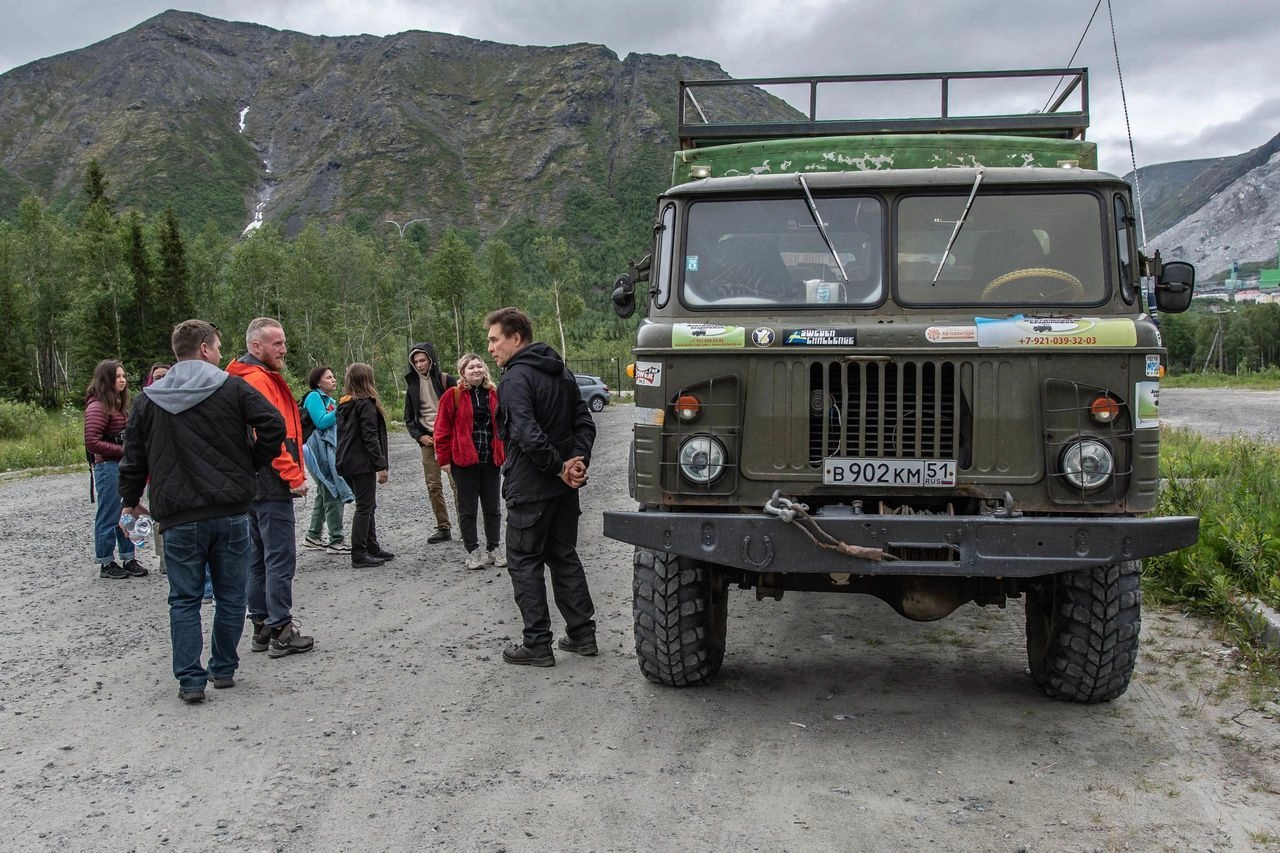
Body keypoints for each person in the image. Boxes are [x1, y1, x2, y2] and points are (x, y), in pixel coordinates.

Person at [119, 319, 286, 703]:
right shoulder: (231, 387)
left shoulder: (148, 399)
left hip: (177, 516)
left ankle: (190, 680)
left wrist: (130, 501)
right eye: (218, 346)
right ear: (206, 349)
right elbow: (273, 423)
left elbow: (133, 459)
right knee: (231, 595)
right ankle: (223, 668)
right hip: (229, 509)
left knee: (184, 599)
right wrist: (253, 464)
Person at [485, 307, 597, 667]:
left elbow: (526, 433)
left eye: (494, 339)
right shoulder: (560, 371)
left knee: (524, 562)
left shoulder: (515, 379)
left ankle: (537, 643)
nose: (490, 348)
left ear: (515, 338)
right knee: (563, 556)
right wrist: (576, 462)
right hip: (563, 490)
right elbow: (584, 421)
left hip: (532, 489)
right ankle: (582, 635)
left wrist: (561, 468)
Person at [226, 318, 314, 658]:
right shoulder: (258, 380)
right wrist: (293, 475)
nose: (284, 349)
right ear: (255, 346)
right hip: (270, 481)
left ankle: (262, 627)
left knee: (259, 557)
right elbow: (271, 434)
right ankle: (280, 629)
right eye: (276, 343)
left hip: (252, 481)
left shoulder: (246, 377)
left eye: (283, 342)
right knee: (279, 557)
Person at [435, 353, 506, 570]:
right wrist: (444, 460)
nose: (476, 370)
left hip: (490, 460)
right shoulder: (452, 395)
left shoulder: (494, 394)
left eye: (479, 366)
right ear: (462, 373)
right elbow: (441, 429)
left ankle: (493, 548)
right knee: (467, 508)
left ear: (485, 370)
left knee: (492, 506)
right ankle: (472, 551)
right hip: (464, 461)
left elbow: (504, 424)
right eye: (470, 367)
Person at [84, 359, 145, 580]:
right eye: (117, 376)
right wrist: (122, 449)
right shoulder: (98, 406)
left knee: (126, 512)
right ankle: (106, 562)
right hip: (108, 467)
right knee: (109, 515)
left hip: (121, 466)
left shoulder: (117, 405)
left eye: (123, 376)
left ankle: (128, 557)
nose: (122, 380)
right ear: (106, 379)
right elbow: (92, 441)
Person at [336, 363, 393, 568]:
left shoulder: (345, 404)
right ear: (367, 380)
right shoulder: (365, 404)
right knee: (364, 507)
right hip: (361, 464)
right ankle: (359, 553)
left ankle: (372, 546)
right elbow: (370, 437)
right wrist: (381, 465)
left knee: (368, 504)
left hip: (345, 463)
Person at [403, 342, 456, 544]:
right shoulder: (412, 386)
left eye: (422, 360)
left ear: (431, 360)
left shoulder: (446, 380)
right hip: (428, 440)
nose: (419, 364)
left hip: (449, 439)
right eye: (415, 361)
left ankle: (466, 525)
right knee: (433, 486)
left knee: (457, 484)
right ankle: (443, 527)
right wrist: (419, 436)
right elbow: (409, 417)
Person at [301, 364, 354, 554]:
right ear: (318, 382)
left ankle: (313, 536)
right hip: (317, 452)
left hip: (326, 450)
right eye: (329, 377)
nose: (333, 380)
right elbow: (321, 421)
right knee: (332, 491)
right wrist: (341, 409)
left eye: (333, 377)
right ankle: (336, 540)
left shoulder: (329, 399)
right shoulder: (314, 397)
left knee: (323, 492)